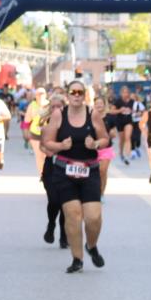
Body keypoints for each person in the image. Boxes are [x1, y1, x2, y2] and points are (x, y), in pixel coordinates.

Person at [41, 79, 109, 273]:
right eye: (73, 92)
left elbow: (105, 139)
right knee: (73, 215)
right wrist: (61, 146)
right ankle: (77, 258)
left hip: (89, 171)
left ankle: (92, 246)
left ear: (84, 95)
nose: (77, 95)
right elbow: (47, 142)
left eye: (80, 92)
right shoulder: (58, 115)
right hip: (65, 172)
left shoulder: (93, 114)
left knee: (93, 217)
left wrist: (95, 144)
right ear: (68, 95)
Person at [39, 93, 67, 248]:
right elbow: (42, 145)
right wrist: (48, 151)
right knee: (54, 200)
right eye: (54, 106)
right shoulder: (46, 123)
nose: (57, 109)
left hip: (66, 165)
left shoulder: (71, 123)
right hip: (51, 166)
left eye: (59, 106)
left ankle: (64, 235)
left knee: (65, 203)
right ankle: (51, 224)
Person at [93, 95, 116, 198]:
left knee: (103, 171)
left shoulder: (110, 117)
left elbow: (114, 132)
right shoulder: (91, 117)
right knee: (95, 172)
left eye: (100, 103)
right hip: (93, 149)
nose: (99, 105)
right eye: (97, 103)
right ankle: (95, 190)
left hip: (106, 148)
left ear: (104, 105)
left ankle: (101, 193)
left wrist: (112, 133)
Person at [23, 87, 49, 175]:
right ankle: (42, 174)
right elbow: (26, 121)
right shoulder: (32, 105)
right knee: (39, 155)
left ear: (45, 95)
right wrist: (25, 132)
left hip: (48, 134)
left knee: (46, 155)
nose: (40, 95)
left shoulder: (49, 105)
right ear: (36, 95)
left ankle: (47, 172)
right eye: (38, 94)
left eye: (42, 93)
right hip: (34, 134)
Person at [111, 85, 135, 163]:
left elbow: (137, 110)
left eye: (127, 92)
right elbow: (112, 111)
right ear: (121, 93)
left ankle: (128, 155)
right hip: (120, 121)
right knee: (122, 140)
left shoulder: (132, 101)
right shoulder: (118, 101)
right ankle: (121, 153)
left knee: (127, 137)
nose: (125, 94)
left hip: (129, 121)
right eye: (124, 92)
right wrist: (120, 110)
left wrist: (134, 112)